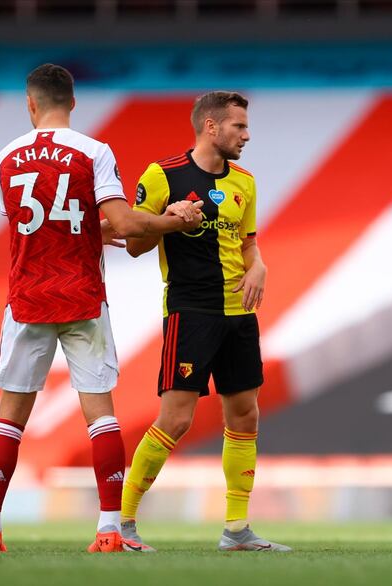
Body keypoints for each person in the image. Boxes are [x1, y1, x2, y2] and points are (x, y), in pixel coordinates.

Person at [0, 63, 202, 553]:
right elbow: (124, 221)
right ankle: (106, 530)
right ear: (73, 102)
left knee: (8, 419)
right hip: (81, 296)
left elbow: (34, 226)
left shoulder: (6, 155)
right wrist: (173, 222)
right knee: (100, 416)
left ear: (30, 104)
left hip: (28, 296)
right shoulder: (93, 151)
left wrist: (108, 232)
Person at [118, 91, 290, 552]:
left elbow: (248, 243)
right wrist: (170, 220)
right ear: (211, 127)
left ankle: (236, 529)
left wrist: (260, 266)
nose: (246, 135)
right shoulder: (162, 176)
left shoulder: (245, 183)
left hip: (239, 315)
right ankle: (122, 524)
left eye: (246, 127)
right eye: (238, 126)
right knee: (175, 420)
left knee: (245, 415)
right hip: (190, 313)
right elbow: (133, 243)